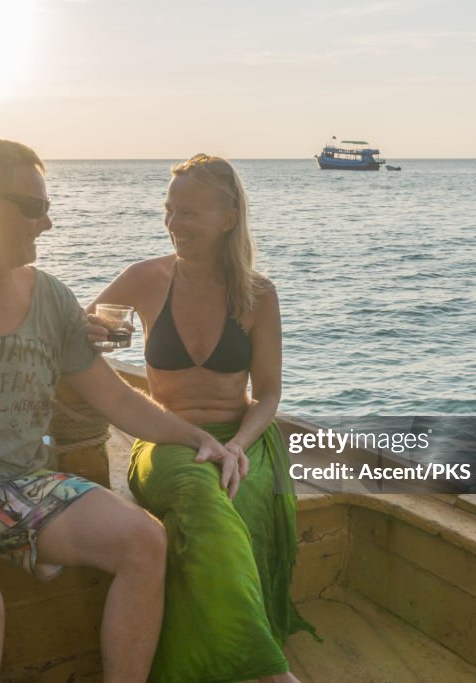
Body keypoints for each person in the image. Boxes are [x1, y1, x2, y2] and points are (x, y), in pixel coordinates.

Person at [0, 139, 239, 683]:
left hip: (27, 488)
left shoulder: (52, 298)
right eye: (33, 208)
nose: (47, 223)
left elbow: (117, 399)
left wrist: (199, 439)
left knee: (146, 542)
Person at [88, 154, 315, 683]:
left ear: (228, 217)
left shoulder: (258, 294)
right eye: (169, 210)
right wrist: (90, 339)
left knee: (239, 496)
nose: (173, 224)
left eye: (188, 212)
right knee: (200, 493)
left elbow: (269, 393)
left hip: (243, 438)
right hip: (164, 438)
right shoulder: (143, 279)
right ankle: (267, 673)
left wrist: (238, 445)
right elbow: (76, 335)